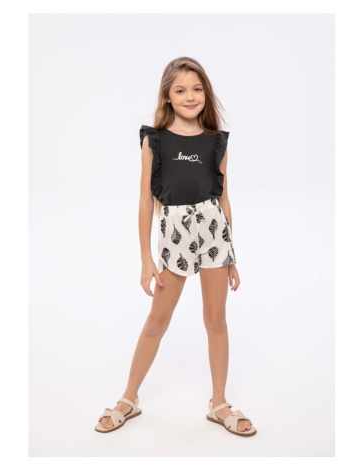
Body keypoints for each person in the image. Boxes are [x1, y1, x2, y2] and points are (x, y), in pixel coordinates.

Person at [95, 57, 256, 437]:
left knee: (215, 320)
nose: (190, 96)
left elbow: (223, 198)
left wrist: (231, 256)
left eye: (197, 89)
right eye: (181, 90)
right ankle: (129, 398)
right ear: (167, 96)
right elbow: (145, 201)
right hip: (176, 234)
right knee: (156, 322)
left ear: (206, 93)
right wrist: (145, 258)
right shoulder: (154, 140)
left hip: (214, 233)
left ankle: (219, 403)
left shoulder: (216, 141)